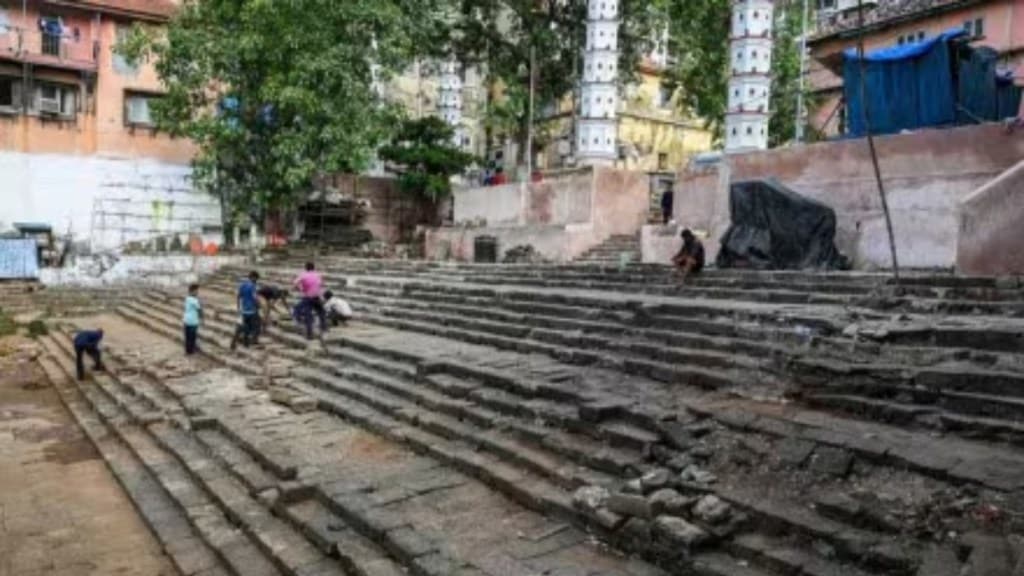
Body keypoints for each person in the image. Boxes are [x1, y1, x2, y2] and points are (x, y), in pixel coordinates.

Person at [293, 262, 326, 340]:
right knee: (321, 312)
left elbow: (294, 283)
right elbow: (321, 284)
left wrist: (300, 289)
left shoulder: (303, 275)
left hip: (307, 297)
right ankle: (324, 328)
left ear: (306, 268)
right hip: (317, 296)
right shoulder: (318, 274)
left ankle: (309, 334)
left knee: (308, 315)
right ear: (313, 268)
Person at [237, 271, 261, 347]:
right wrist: (258, 305)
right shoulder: (252, 286)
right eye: (256, 279)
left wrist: (238, 307)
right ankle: (254, 340)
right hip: (252, 310)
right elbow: (255, 297)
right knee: (257, 325)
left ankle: (245, 342)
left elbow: (238, 296)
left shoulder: (242, 285)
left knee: (246, 326)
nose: (256, 281)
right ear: (253, 277)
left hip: (244, 309)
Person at [182, 283, 203, 355]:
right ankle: (191, 351)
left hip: (186, 320)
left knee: (187, 337)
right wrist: (202, 318)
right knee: (192, 337)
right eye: (196, 291)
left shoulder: (187, 298)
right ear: (192, 291)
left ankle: (188, 351)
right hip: (193, 321)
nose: (197, 292)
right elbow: (199, 310)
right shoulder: (195, 300)